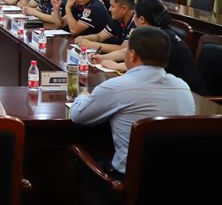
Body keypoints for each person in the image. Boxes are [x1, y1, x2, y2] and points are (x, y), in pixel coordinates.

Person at [71, 27, 195, 175]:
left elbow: (78, 115)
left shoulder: (117, 87)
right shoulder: (182, 86)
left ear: (132, 55)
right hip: (177, 177)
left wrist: (83, 95)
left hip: (127, 180)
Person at [92, 0, 208, 94]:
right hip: (167, 86)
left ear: (142, 19)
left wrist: (115, 65)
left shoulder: (161, 39)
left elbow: (145, 66)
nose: (133, 17)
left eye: (135, 14)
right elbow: (127, 51)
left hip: (187, 92)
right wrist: (103, 57)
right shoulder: (155, 32)